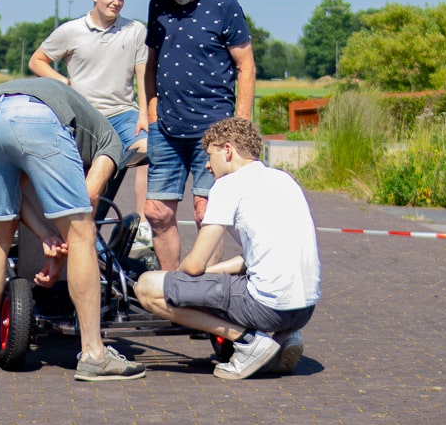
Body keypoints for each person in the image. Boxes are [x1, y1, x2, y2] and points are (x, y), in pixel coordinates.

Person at [0, 77, 146, 381]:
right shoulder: (110, 141)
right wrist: (65, 249)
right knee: (83, 233)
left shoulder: (71, 111)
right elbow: (88, 201)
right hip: (36, 117)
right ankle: (94, 354)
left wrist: (46, 236)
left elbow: (17, 198)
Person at [134, 117, 319, 379]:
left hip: (268, 308)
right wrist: (215, 273)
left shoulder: (227, 185)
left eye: (210, 155)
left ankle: (248, 342)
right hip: (303, 310)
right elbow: (256, 257)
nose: (207, 165)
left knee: (147, 287)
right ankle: (285, 336)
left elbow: (194, 265)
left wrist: (178, 278)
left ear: (228, 150)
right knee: (216, 283)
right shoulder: (284, 180)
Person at [144, 0, 256, 271]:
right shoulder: (158, 4)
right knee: (157, 212)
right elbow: (150, 62)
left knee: (206, 212)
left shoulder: (225, 5)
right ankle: (169, 289)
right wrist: (150, 107)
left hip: (213, 129)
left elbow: (245, 66)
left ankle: (207, 292)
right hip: (165, 126)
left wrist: (240, 125)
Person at [28, 0, 149, 225]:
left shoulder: (135, 29)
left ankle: (144, 224)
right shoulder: (71, 31)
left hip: (123, 113)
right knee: (88, 192)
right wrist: (63, 82)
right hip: (86, 118)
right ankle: (86, 243)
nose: (116, 2)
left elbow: (143, 74)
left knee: (150, 149)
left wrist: (145, 114)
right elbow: (37, 61)